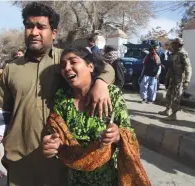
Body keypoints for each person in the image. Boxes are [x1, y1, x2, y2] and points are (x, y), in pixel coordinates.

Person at [0, 2, 115, 186]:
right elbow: (1, 110)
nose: (34, 32)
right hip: (21, 160)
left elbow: (106, 67)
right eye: (29, 26)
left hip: (62, 159)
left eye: (41, 27)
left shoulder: (66, 60)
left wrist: (101, 83)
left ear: (54, 33)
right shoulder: (11, 69)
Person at [42, 46, 151, 186]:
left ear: (90, 66)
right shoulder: (62, 98)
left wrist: (117, 135)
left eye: (73, 62)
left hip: (108, 178)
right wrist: (54, 144)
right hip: (74, 179)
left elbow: (130, 135)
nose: (67, 68)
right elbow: (58, 135)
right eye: (63, 65)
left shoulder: (112, 95)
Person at [158, 38, 192, 120]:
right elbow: (170, 68)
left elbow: (188, 68)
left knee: (176, 97)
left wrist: (187, 81)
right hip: (171, 78)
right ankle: (167, 110)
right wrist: (166, 78)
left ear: (178, 44)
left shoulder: (183, 54)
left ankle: (174, 115)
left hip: (179, 80)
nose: (172, 45)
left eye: (174, 43)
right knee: (168, 95)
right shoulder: (173, 54)